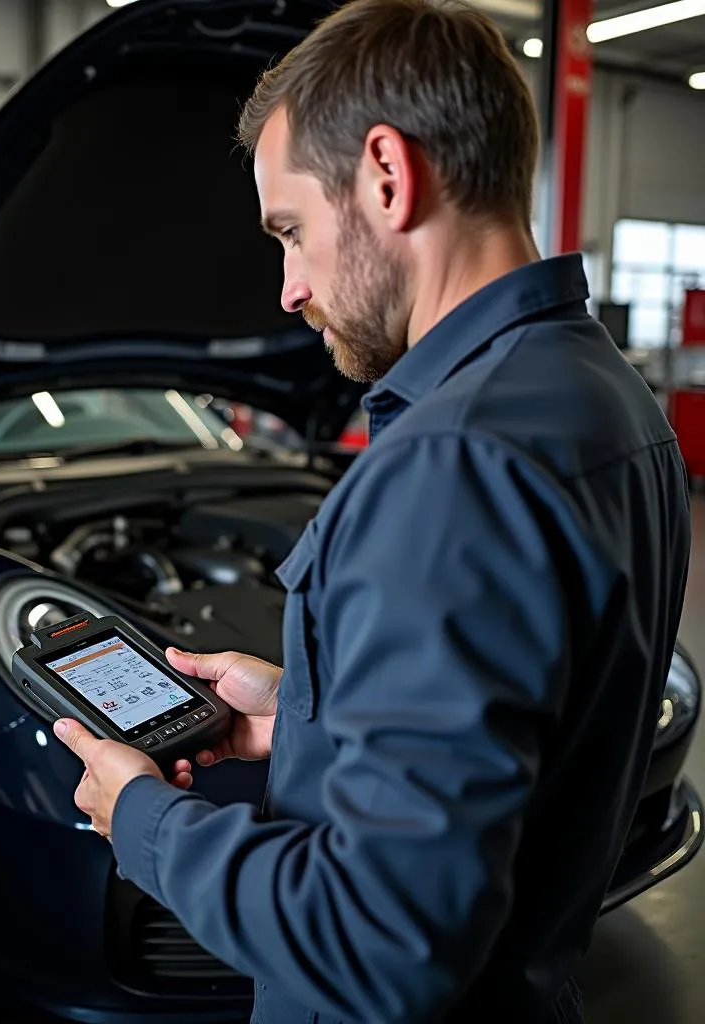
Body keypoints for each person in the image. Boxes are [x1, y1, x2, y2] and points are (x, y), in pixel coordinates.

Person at [51, 0, 692, 1020]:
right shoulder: (604, 396)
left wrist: (142, 818)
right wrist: (309, 710)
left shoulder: (451, 464)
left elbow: (376, 941)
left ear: (387, 175)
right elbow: (535, 739)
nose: (288, 290)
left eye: (291, 231)